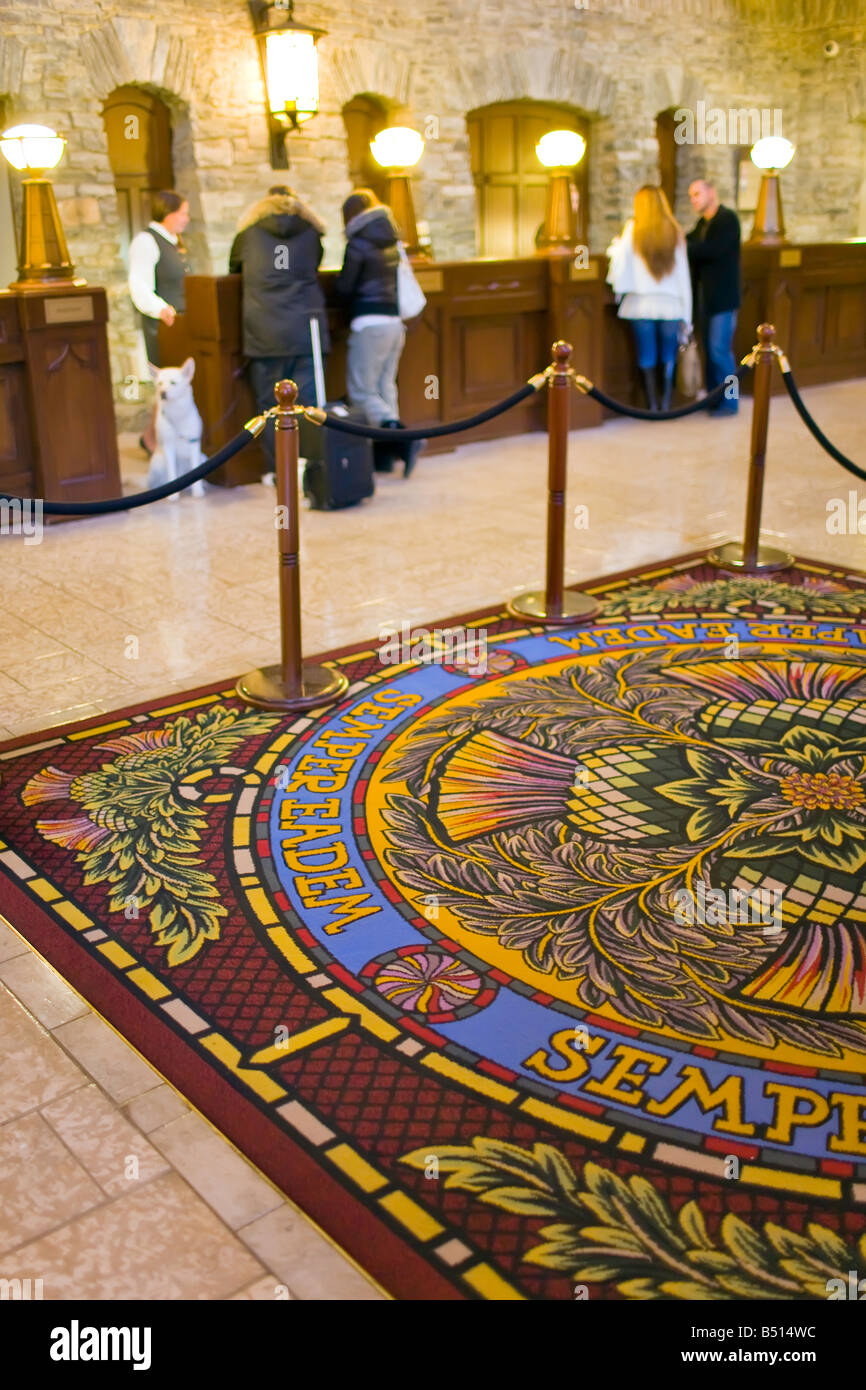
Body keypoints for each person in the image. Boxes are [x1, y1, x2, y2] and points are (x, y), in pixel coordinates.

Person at [229, 185, 330, 484]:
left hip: (265, 331)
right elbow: (314, 265)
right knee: (309, 404)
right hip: (305, 329)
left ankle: (280, 471)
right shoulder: (312, 233)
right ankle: (311, 470)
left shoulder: (247, 236)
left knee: (270, 406)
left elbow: (234, 271)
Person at [335, 188, 415, 477]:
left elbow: (345, 287)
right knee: (384, 388)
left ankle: (404, 437)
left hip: (368, 324)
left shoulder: (358, 242)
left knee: (362, 391)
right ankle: (387, 454)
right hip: (395, 323)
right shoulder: (392, 239)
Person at [606, 185, 692, 411]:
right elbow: (684, 275)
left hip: (640, 304)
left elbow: (621, 265)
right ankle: (666, 403)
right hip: (671, 305)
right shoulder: (674, 230)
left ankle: (651, 405)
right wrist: (687, 314)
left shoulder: (633, 229)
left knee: (646, 355)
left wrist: (614, 247)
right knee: (668, 354)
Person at [128, 190, 191, 453]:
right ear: (168, 213)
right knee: (166, 383)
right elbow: (138, 283)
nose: (186, 219)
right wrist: (161, 308)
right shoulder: (146, 241)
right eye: (183, 213)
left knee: (176, 383)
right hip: (162, 324)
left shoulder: (173, 241)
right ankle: (154, 440)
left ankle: (152, 438)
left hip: (178, 325)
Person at [686, 178, 741, 416]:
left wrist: (685, 246)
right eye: (691, 195)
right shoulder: (701, 224)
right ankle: (713, 397)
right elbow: (691, 244)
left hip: (723, 300)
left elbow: (712, 250)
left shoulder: (727, 220)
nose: (694, 199)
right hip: (705, 300)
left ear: (712, 192)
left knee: (720, 351)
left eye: (697, 193)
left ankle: (730, 401)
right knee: (709, 352)